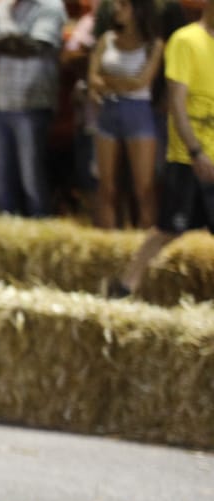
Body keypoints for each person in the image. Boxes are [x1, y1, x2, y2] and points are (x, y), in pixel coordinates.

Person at [109, 1, 214, 297]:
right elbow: (176, 102)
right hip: (188, 157)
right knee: (168, 228)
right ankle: (125, 285)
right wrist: (195, 151)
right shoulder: (186, 40)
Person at [0, 0, 67, 217]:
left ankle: (39, 222)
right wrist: (10, 42)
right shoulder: (0, 6)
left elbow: (37, 47)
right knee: (1, 174)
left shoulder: (50, 6)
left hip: (31, 103)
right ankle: (6, 220)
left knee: (31, 175)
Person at [89, 0, 163, 228]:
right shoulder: (107, 39)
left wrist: (108, 82)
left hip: (137, 112)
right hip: (110, 110)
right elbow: (93, 79)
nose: (116, 9)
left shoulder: (153, 44)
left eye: (123, 4)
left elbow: (141, 82)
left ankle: (146, 238)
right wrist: (123, 83)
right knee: (106, 186)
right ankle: (108, 239)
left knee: (144, 188)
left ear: (137, 9)